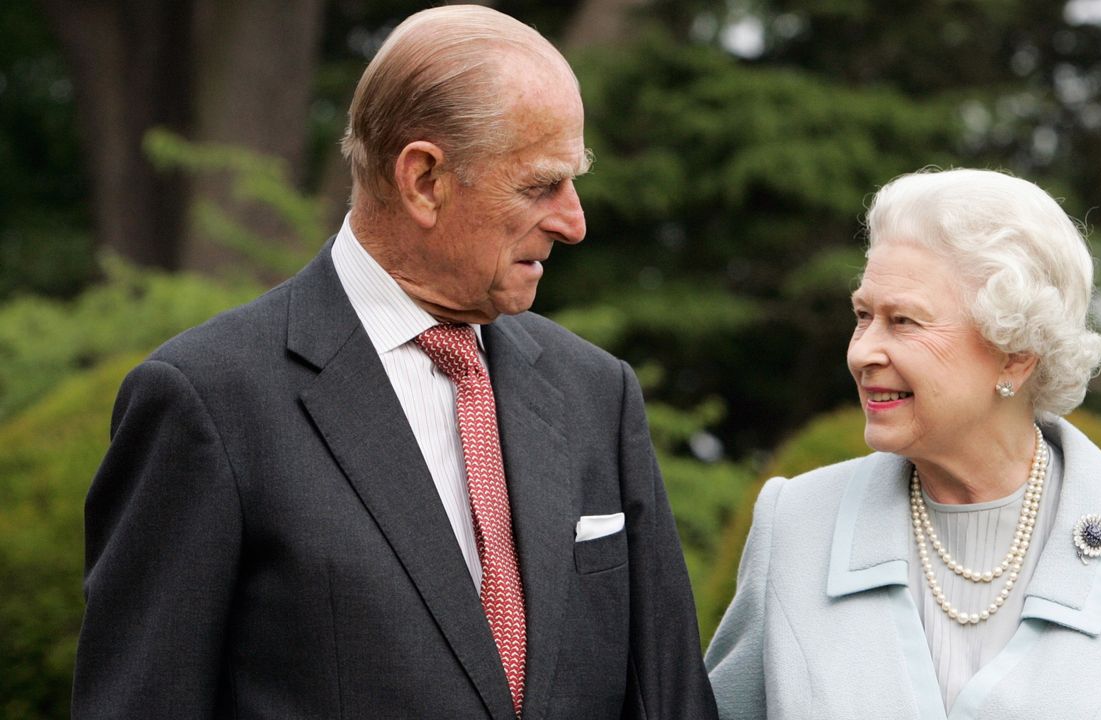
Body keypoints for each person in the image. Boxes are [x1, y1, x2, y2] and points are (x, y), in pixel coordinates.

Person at [72, 6, 717, 718]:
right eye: (540, 186)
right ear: (424, 180)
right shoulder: (209, 402)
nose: (574, 221)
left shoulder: (598, 393)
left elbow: (671, 699)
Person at [705, 168, 1101, 718]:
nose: (862, 352)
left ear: (1016, 353)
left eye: (904, 321)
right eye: (863, 315)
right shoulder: (795, 526)